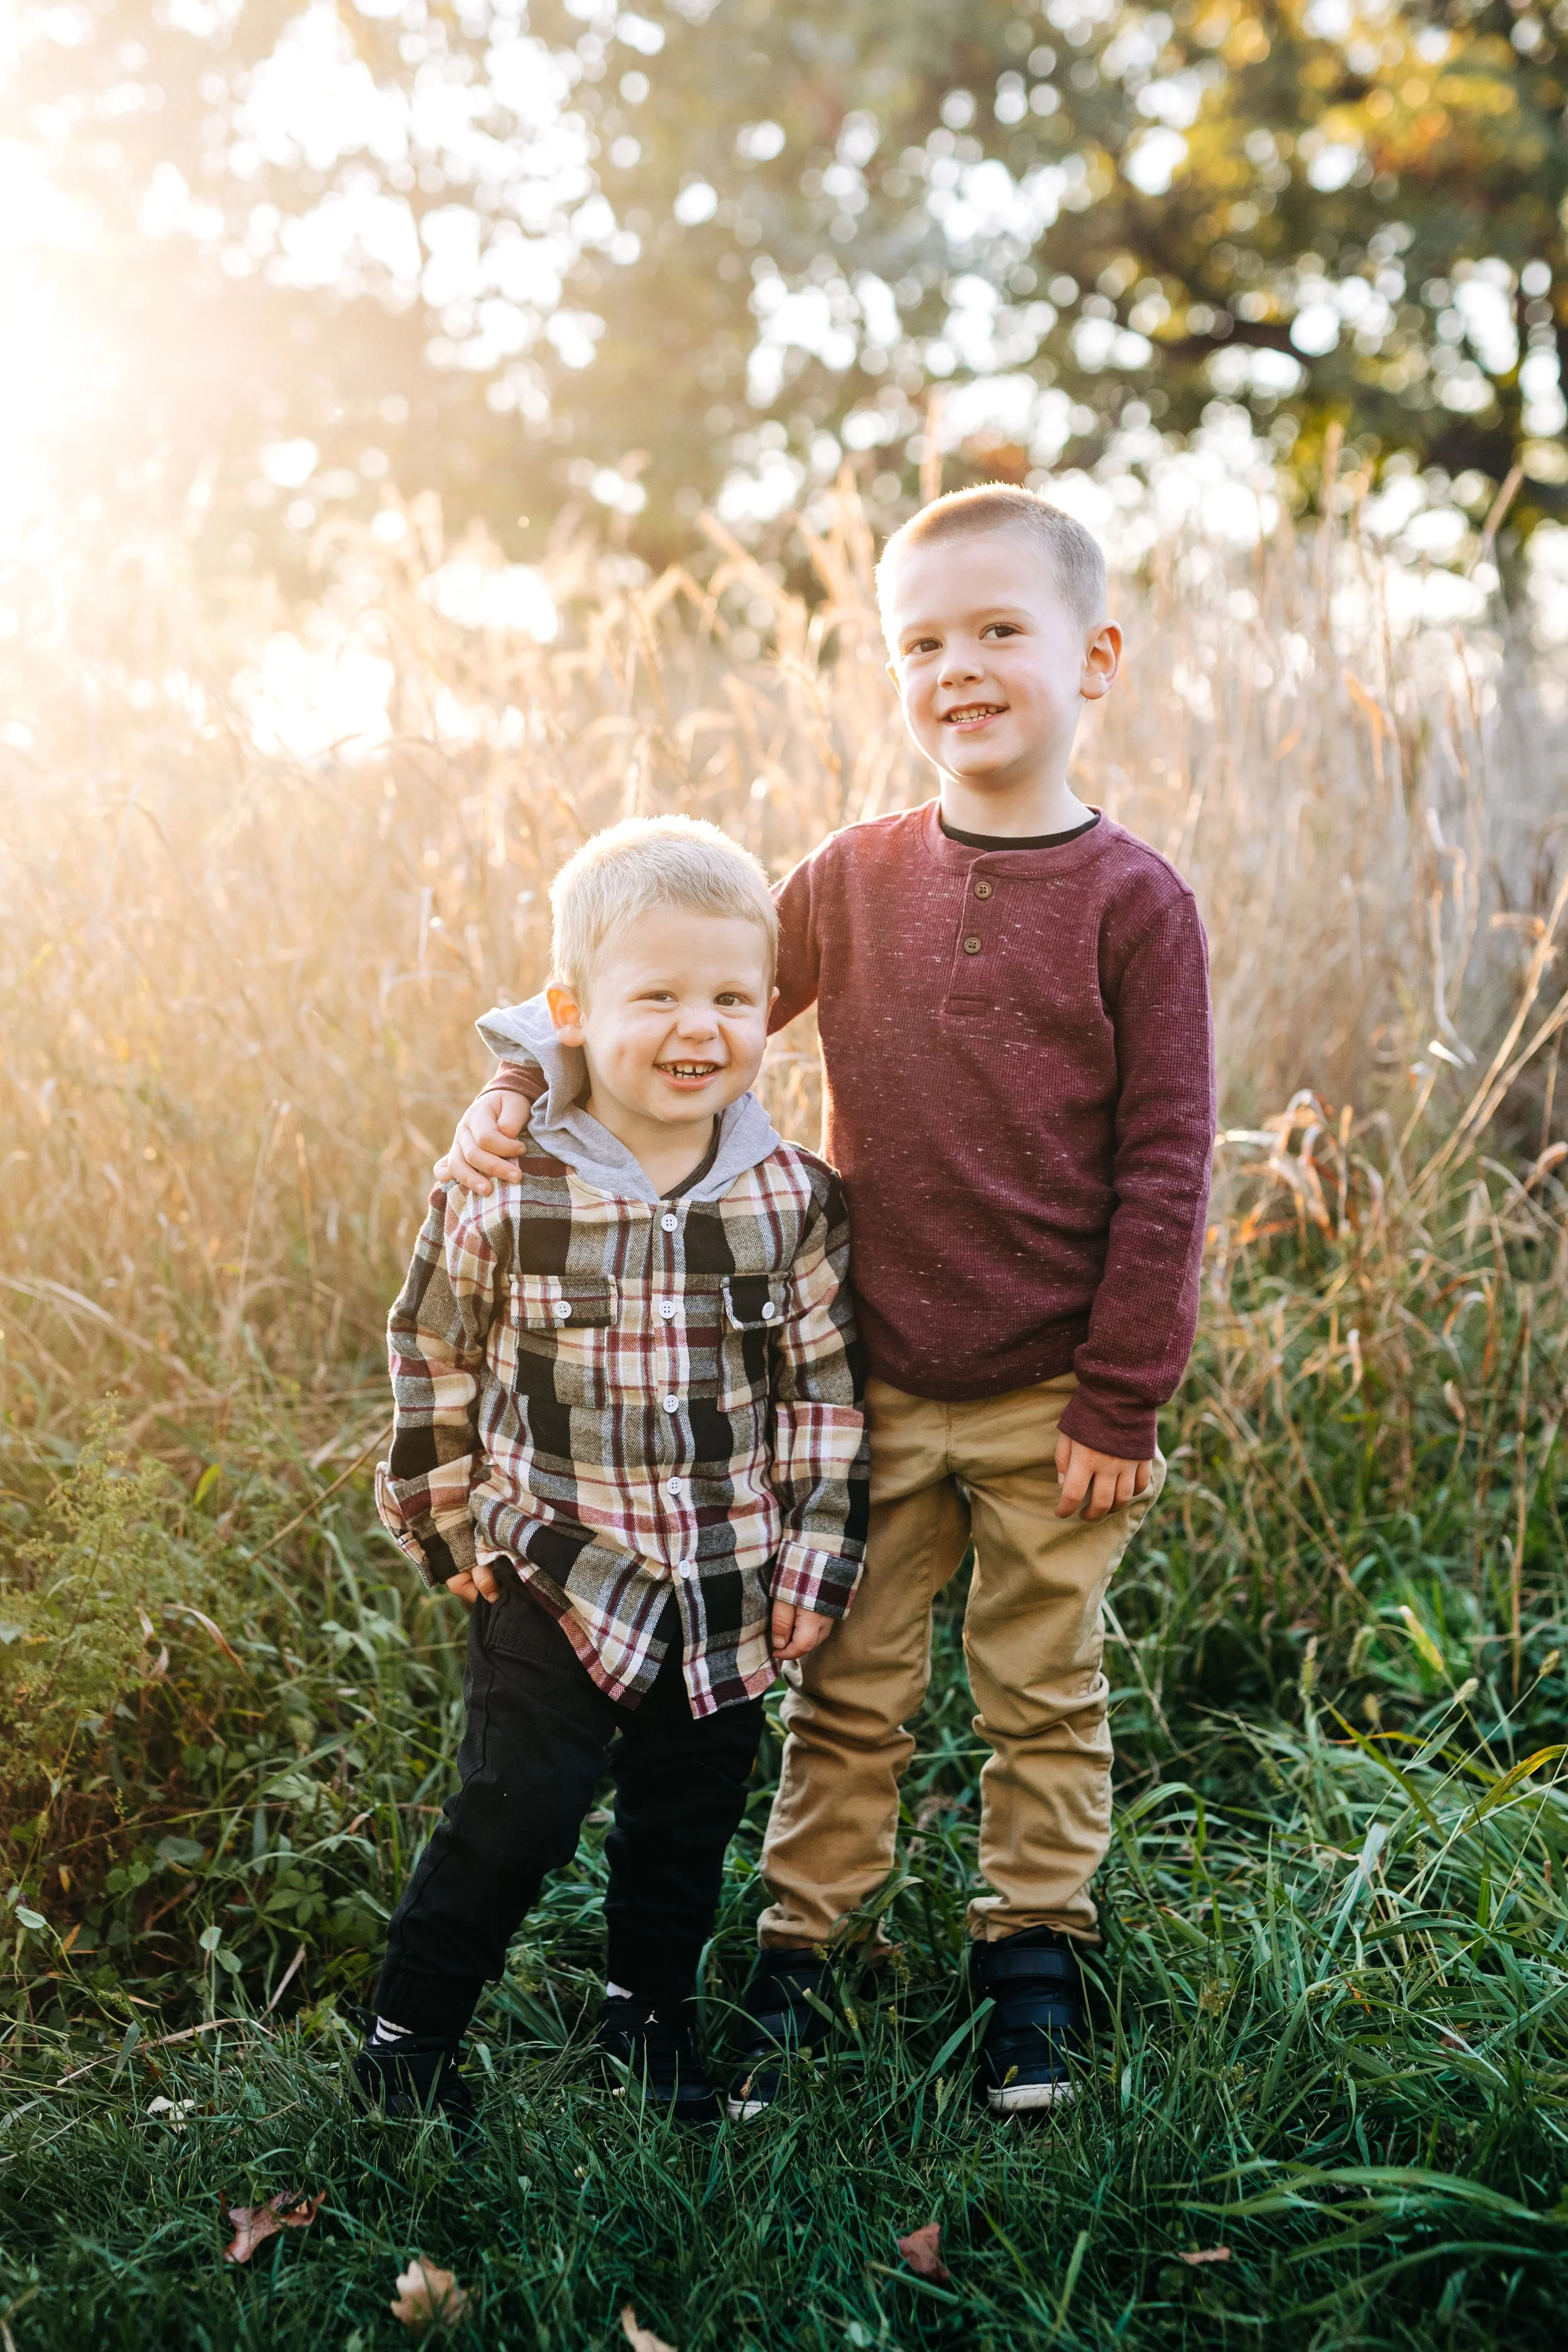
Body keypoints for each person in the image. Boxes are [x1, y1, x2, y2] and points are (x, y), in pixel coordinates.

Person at [437, 484, 1216, 2116]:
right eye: (921, 641)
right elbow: (690, 986)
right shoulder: (851, 881)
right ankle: (806, 1948)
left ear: (1097, 658)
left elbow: (1165, 1160)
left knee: (1039, 1679)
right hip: (861, 1381)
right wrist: (534, 1070)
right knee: (848, 1685)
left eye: (1000, 629)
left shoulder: (1135, 903)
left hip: (1047, 1397)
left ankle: (1033, 1956)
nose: (960, 666)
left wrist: (1122, 1389)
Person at [355, 815, 867, 2129]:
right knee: (511, 1813)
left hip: (722, 1580)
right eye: (658, 997)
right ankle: (409, 2044)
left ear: (769, 1010)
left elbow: (819, 1391)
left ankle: (649, 2031)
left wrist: (814, 1557)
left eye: (731, 999)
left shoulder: (789, 1200)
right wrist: (447, 1526)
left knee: (682, 1832)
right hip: (552, 1564)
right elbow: (432, 1349)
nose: (697, 1028)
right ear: (572, 1012)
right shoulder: (508, 1183)